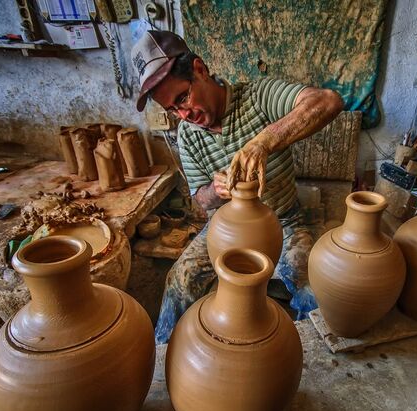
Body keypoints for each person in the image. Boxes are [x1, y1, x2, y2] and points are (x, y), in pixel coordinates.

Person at [131, 30, 344, 344]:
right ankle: (165, 358)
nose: (183, 114)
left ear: (199, 70)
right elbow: (200, 201)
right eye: (173, 110)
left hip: (285, 220)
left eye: (182, 98)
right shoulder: (188, 134)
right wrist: (215, 191)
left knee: (311, 286)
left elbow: (328, 101)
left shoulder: (257, 97)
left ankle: (308, 360)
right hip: (224, 227)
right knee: (180, 279)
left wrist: (263, 142)